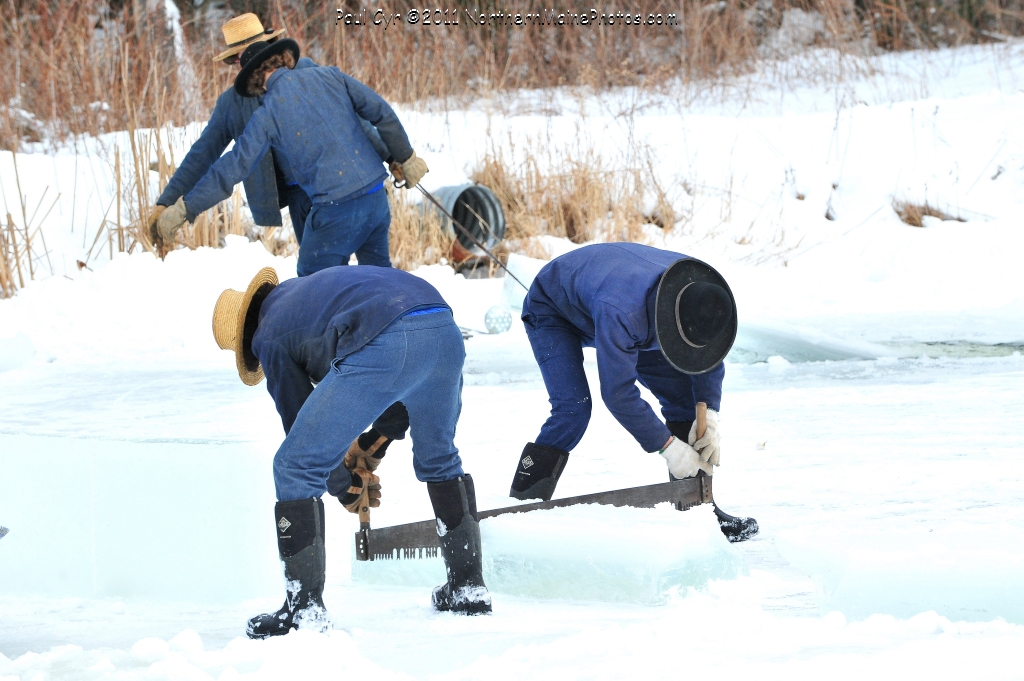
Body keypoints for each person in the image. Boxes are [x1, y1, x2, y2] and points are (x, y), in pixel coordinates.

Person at [212, 266, 492, 638]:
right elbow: (399, 381)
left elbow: (303, 440)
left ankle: (304, 612)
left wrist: (346, 487)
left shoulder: (269, 336)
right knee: (439, 457)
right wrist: (372, 444)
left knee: (292, 467)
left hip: (388, 338)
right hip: (441, 326)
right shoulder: (309, 293)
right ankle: (467, 589)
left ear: (246, 340)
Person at [509, 243, 758, 542]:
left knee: (684, 403)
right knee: (573, 409)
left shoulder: (701, 292)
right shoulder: (623, 312)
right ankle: (522, 513)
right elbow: (618, 394)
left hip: (620, 301)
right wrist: (669, 448)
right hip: (554, 308)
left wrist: (711, 415)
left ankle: (698, 512)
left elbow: (707, 355)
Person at [155, 30, 427, 275]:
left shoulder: (267, 113)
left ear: (252, 77)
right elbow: (380, 113)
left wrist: (186, 209)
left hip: (334, 208)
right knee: (380, 277)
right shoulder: (329, 74)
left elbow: (232, 167)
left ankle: (344, 327)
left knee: (316, 283)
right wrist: (406, 155)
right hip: (373, 197)